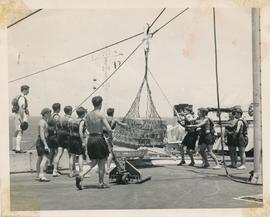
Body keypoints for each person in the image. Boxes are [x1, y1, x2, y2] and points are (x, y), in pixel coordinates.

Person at [75, 96, 111, 190]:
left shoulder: (88, 115)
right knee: (102, 162)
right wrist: (109, 137)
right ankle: (101, 183)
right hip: (99, 138)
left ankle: (81, 174)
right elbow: (109, 129)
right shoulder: (101, 115)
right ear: (100, 104)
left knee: (93, 162)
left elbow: (88, 128)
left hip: (91, 138)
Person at [52, 105, 73, 177]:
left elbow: (57, 127)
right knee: (70, 155)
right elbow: (71, 129)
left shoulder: (60, 118)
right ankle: (71, 172)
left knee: (59, 153)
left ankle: (54, 171)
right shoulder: (70, 119)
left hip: (60, 136)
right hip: (67, 137)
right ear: (70, 111)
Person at [104, 107, 127, 173]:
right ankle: (108, 168)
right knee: (110, 154)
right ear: (113, 113)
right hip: (109, 137)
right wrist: (128, 124)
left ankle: (117, 166)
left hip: (102, 137)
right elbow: (122, 125)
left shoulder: (104, 119)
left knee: (107, 153)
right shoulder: (114, 120)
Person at [69, 107, 88, 177]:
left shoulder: (73, 120)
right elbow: (80, 131)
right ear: (83, 114)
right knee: (80, 156)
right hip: (78, 140)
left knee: (72, 155)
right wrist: (83, 141)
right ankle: (81, 172)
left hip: (71, 139)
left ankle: (71, 172)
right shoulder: (82, 121)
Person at [12, 85, 30, 153]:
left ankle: (14, 147)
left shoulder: (18, 96)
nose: (28, 92)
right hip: (20, 116)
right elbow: (21, 109)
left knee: (16, 131)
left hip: (16, 115)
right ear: (24, 90)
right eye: (28, 90)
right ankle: (18, 149)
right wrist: (22, 120)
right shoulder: (22, 98)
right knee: (20, 132)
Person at [35, 108, 51, 182]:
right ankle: (41, 175)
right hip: (42, 141)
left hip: (39, 141)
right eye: (49, 113)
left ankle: (38, 175)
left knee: (39, 158)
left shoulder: (42, 121)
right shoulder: (42, 122)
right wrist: (45, 144)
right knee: (45, 158)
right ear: (45, 114)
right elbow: (42, 134)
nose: (50, 114)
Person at [46, 103, 61, 174]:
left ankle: (49, 166)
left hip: (50, 136)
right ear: (58, 109)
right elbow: (59, 126)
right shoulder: (57, 117)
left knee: (51, 151)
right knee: (57, 153)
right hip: (55, 136)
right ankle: (55, 168)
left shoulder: (50, 116)